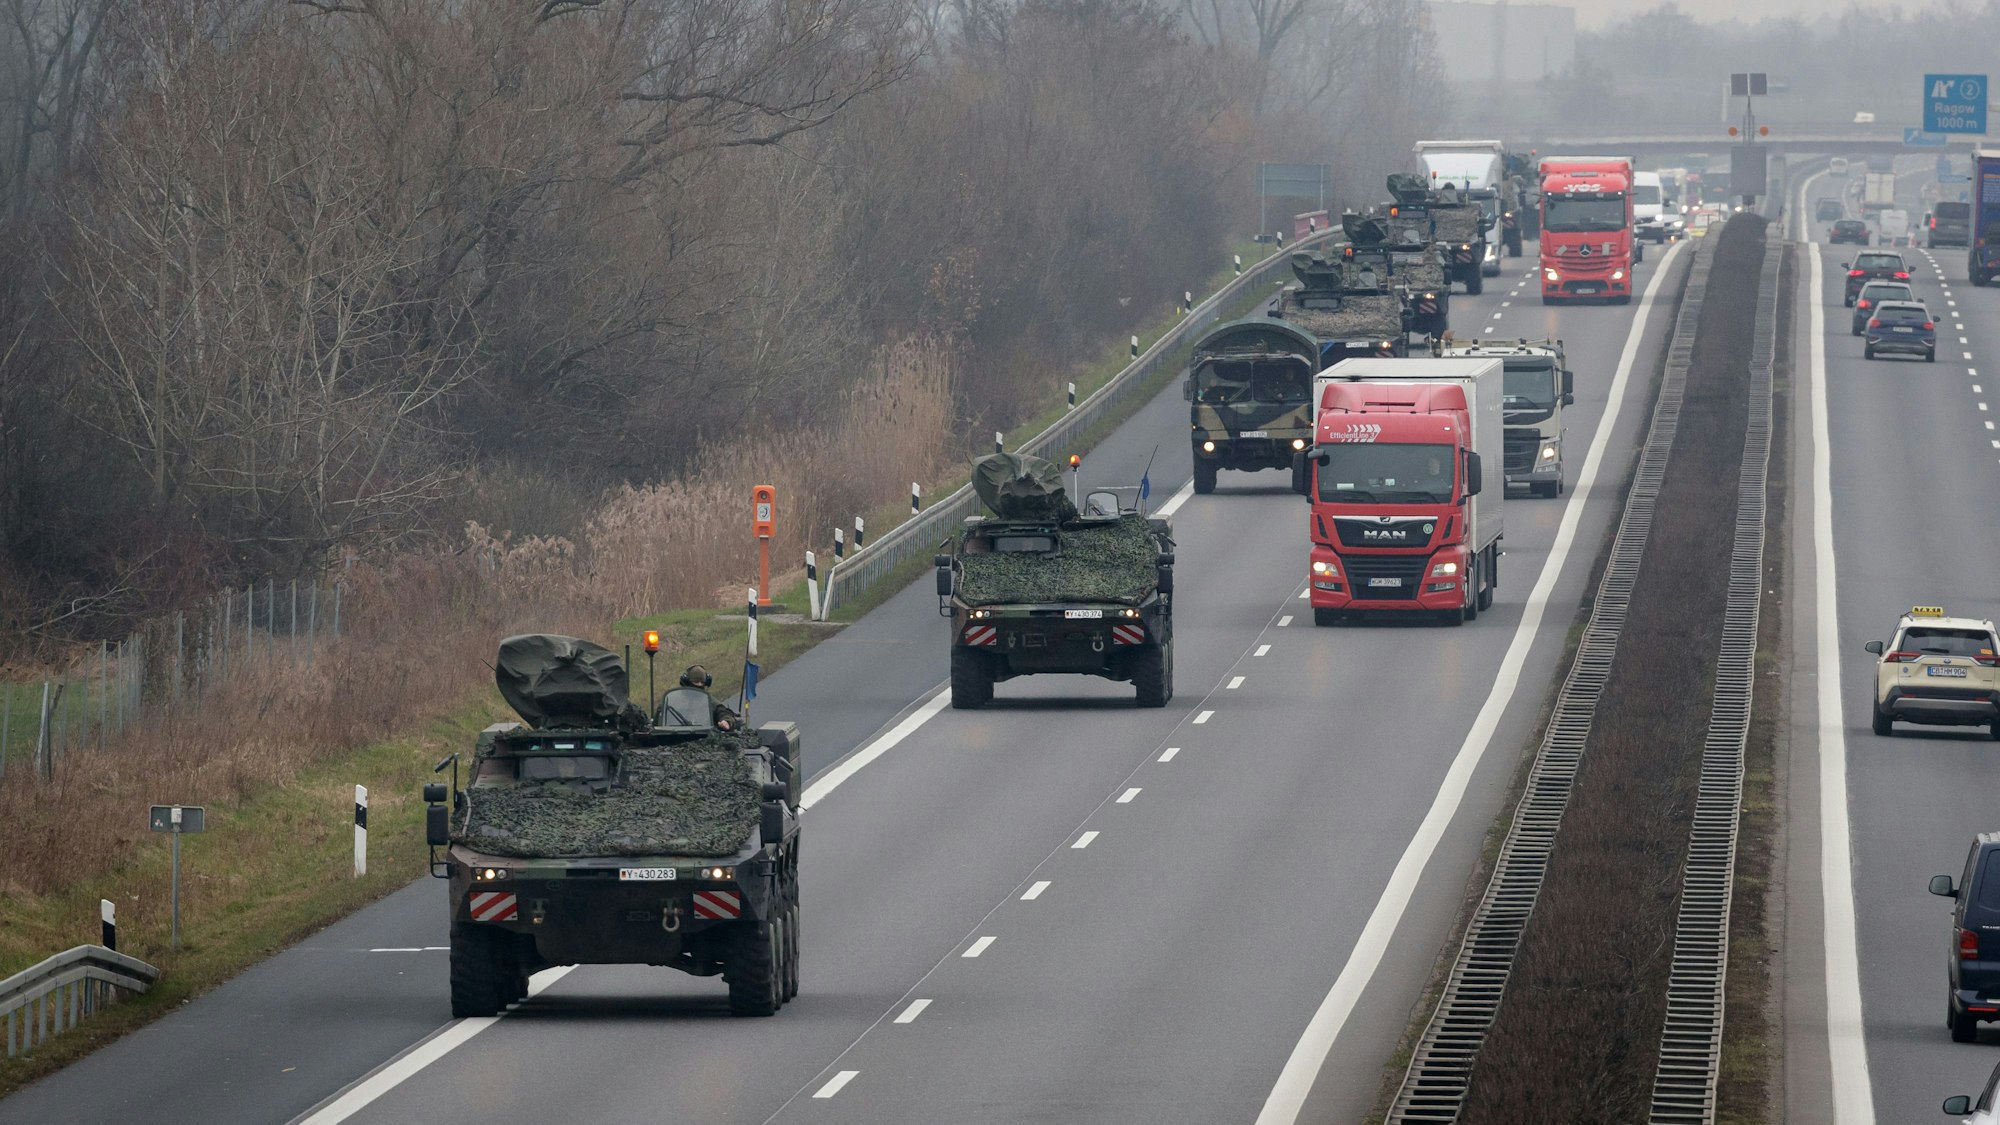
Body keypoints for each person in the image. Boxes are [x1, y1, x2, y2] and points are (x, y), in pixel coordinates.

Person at [677, 665, 740, 731]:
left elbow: (722, 712)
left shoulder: (709, 700)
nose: (699, 685)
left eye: (702, 682)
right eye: (696, 682)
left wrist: (726, 721)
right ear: (687, 682)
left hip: (704, 736)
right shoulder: (676, 700)